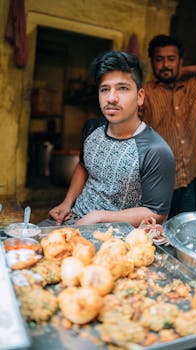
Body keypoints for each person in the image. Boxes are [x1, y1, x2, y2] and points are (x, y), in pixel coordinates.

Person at [41, 51, 175, 228]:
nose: (111, 98)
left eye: (123, 88)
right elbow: (83, 166)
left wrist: (99, 217)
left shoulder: (156, 150)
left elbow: (156, 213)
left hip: (114, 236)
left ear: (140, 97)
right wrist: (67, 203)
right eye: (105, 89)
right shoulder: (91, 129)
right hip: (72, 219)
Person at [142, 34, 196, 218]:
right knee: (156, 235)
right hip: (157, 182)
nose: (165, 65)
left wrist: (187, 70)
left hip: (188, 178)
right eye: (159, 59)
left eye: (171, 59)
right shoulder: (144, 93)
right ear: (152, 62)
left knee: (183, 230)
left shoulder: (194, 87)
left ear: (180, 61)